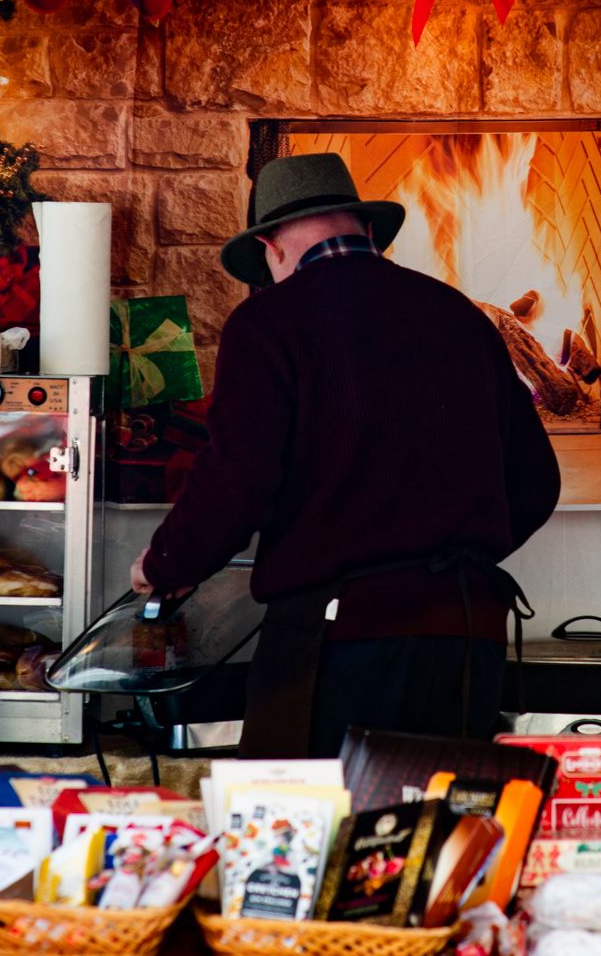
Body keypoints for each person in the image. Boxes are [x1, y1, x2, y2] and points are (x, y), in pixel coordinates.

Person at [133, 152, 562, 757]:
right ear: (363, 228)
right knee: (441, 834)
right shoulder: (459, 316)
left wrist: (168, 564)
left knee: (314, 835)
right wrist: (448, 559)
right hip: (465, 634)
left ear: (271, 247)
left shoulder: (267, 323)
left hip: (337, 643)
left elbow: (238, 479)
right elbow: (536, 482)